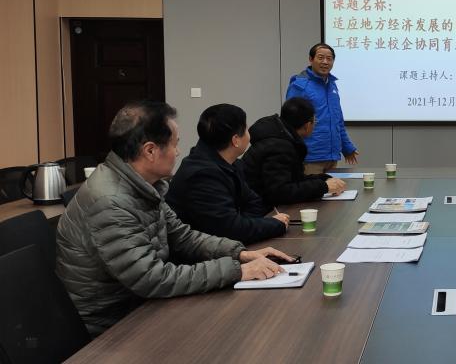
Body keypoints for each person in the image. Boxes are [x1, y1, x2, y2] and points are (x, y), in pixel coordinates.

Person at [55, 101, 293, 336]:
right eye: (174, 144)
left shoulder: (143, 184)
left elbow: (183, 236)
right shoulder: (111, 202)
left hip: (141, 304)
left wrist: (239, 254)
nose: (178, 152)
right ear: (150, 151)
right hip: (114, 323)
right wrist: (236, 271)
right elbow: (152, 278)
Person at [166, 104, 288, 245]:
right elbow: (230, 230)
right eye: (246, 129)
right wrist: (275, 224)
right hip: (199, 253)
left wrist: (243, 224)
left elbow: (253, 203)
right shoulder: (202, 175)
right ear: (236, 140)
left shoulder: (229, 162)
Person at [243, 98, 347, 205]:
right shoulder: (279, 147)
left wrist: (323, 179)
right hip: (260, 209)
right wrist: (323, 187)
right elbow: (280, 192)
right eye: (315, 122)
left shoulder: (282, 136)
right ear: (307, 125)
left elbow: (294, 179)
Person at [286, 43, 358, 174]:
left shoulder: (332, 86)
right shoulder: (299, 86)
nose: (325, 62)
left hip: (332, 157)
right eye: (320, 57)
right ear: (311, 59)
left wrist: (346, 147)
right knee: (312, 188)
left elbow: (337, 120)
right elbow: (289, 123)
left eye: (329, 59)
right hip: (309, 158)